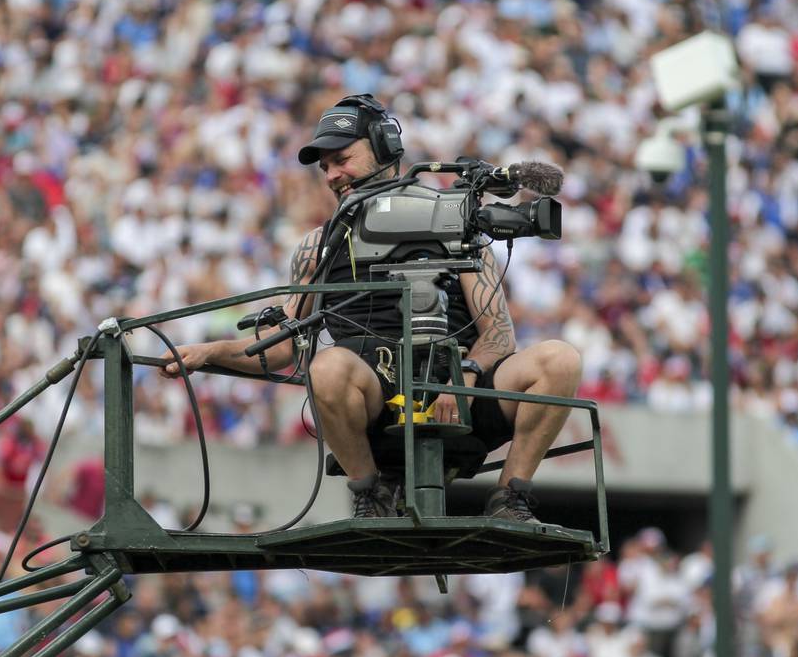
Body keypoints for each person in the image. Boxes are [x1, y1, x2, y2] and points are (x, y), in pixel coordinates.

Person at [161, 95, 581, 522]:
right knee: (325, 367)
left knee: (560, 360)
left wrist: (462, 379)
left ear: (384, 148)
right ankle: (370, 493)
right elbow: (285, 346)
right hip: (375, 397)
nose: (332, 175)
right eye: (324, 167)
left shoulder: (456, 221)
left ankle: (510, 497)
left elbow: (497, 335)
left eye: (342, 159)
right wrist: (211, 352)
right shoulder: (317, 245)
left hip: (462, 392)